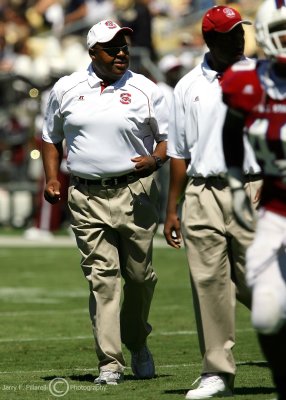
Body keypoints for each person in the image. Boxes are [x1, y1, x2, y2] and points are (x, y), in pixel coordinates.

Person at [41, 19, 169, 385]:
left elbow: (166, 140)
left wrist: (155, 160)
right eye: (112, 48)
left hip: (136, 193)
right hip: (86, 195)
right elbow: (50, 137)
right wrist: (52, 177)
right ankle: (110, 363)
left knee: (141, 277)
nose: (121, 53)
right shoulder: (66, 88)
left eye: (124, 46)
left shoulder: (147, 89)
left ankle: (137, 340)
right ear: (92, 52)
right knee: (103, 279)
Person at [164, 5, 262, 399]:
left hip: (253, 188)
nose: (240, 38)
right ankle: (217, 371)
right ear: (210, 39)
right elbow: (179, 153)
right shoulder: (187, 86)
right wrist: (172, 207)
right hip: (202, 192)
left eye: (241, 31)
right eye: (230, 33)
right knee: (208, 283)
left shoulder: (265, 76)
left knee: (262, 280)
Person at [221, 1, 286, 399]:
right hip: (277, 208)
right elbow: (231, 130)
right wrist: (233, 182)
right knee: (264, 311)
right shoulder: (247, 81)